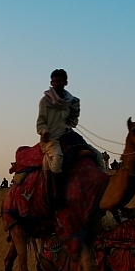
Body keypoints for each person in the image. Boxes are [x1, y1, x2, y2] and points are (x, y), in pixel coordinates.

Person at [37, 68, 80, 205]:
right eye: (54, 81)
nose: (56, 83)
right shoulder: (45, 101)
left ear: (65, 82)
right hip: (52, 137)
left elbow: (73, 122)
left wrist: (75, 111)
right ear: (51, 82)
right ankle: (56, 195)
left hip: (67, 134)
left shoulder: (70, 101)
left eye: (59, 81)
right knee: (57, 158)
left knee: (95, 154)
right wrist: (44, 131)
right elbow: (41, 122)